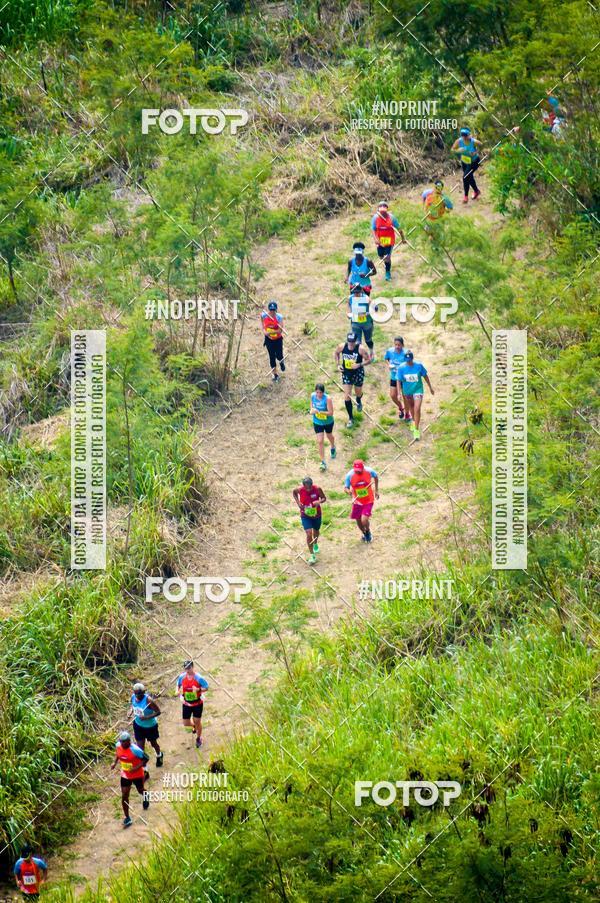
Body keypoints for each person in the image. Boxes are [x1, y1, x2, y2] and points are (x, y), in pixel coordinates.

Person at [111, 730, 150, 828]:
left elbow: (146, 758)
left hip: (137, 774)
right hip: (125, 774)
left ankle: (146, 796)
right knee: (124, 795)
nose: (123, 743)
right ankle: (127, 817)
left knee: (140, 790)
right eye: (121, 741)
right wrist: (114, 762)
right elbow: (118, 754)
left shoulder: (135, 750)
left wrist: (136, 768)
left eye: (125, 741)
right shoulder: (118, 745)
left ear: (129, 741)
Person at [334, 332, 373, 428]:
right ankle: (351, 418)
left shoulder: (360, 349)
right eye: (349, 342)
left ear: (356, 341)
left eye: (352, 342)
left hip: (357, 373)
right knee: (347, 396)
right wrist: (338, 365)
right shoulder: (342, 346)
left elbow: (369, 360)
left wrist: (359, 365)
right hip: (346, 373)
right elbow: (336, 353)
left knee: (358, 392)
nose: (351, 344)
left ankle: (359, 399)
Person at [395, 350, 434, 440]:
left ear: (412, 358)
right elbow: (398, 380)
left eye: (410, 360)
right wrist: (399, 393)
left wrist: (430, 387)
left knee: (417, 408)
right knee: (412, 407)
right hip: (407, 391)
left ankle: (416, 430)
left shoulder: (418, 366)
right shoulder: (401, 368)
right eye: (407, 360)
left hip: (418, 389)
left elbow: (425, 376)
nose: (408, 362)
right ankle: (413, 421)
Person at [292, 476, 327, 565]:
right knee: (308, 533)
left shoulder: (317, 489)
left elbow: (324, 498)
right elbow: (294, 493)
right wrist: (298, 503)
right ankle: (312, 555)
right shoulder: (300, 490)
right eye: (306, 487)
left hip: (316, 515)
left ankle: (315, 543)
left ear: (312, 485)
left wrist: (319, 502)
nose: (308, 489)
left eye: (309, 487)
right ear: (303, 486)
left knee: (316, 531)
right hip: (305, 515)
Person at [344, 459, 379, 543]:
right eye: (356, 471)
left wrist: (376, 490)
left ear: (363, 468)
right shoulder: (349, 475)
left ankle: (368, 531)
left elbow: (376, 477)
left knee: (364, 520)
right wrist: (348, 492)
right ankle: (364, 533)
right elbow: (346, 488)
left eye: (359, 471)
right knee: (358, 520)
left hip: (368, 499)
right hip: (357, 501)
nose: (358, 472)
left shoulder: (369, 471)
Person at [176, 660, 209, 748]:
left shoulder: (199, 678)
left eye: (189, 668)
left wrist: (198, 690)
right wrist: (177, 691)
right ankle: (194, 726)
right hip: (186, 703)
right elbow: (178, 685)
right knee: (186, 723)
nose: (187, 670)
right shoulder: (182, 677)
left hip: (197, 703)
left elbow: (206, 687)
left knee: (197, 721)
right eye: (186, 668)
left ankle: (199, 738)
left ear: (192, 667)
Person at [371, 201, 407, 281]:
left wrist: (403, 238)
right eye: (381, 207)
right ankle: (385, 262)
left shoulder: (392, 218)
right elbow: (373, 230)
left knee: (387, 257)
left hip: (389, 240)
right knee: (381, 256)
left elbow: (399, 229)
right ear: (378, 209)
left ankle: (387, 273)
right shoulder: (375, 218)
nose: (383, 208)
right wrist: (376, 239)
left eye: (384, 206)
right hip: (380, 240)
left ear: (387, 209)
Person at [129, 682, 163, 766]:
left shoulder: (149, 700)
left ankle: (159, 755)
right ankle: (144, 769)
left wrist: (146, 717)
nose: (138, 696)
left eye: (140, 694)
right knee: (140, 748)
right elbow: (132, 706)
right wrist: (130, 711)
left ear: (144, 693)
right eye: (136, 694)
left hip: (150, 726)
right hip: (138, 725)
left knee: (153, 743)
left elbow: (158, 712)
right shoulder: (133, 697)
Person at [451, 127, 483, 202]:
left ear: (469, 135)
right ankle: (476, 191)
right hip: (464, 162)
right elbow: (452, 149)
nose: (464, 137)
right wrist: (458, 151)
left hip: (474, 162)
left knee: (465, 177)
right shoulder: (459, 141)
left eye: (466, 135)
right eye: (463, 135)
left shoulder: (474, 141)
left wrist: (476, 152)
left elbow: (481, 145)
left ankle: (465, 196)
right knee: (469, 177)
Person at [310, 383, 336, 471]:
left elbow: (331, 412)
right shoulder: (312, 396)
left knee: (329, 436)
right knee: (320, 441)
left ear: (323, 392)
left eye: (320, 392)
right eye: (317, 392)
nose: (318, 394)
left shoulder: (327, 399)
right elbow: (311, 409)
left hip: (328, 422)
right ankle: (322, 461)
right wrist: (312, 411)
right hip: (317, 422)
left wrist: (320, 412)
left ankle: (332, 446)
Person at [384, 336, 410, 422]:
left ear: (402, 345)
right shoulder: (390, 351)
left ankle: (407, 413)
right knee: (392, 395)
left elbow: (410, 363)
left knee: (405, 396)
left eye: (399, 345)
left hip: (404, 378)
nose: (397, 347)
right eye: (395, 345)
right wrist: (389, 365)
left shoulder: (406, 353)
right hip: (394, 377)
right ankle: (401, 407)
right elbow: (386, 359)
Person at [347, 284, 375, 357]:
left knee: (368, 340)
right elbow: (349, 310)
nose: (356, 294)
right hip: (355, 323)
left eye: (358, 293)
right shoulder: (350, 298)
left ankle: (371, 352)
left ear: (361, 291)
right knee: (357, 343)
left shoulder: (366, 298)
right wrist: (349, 314)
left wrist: (366, 313)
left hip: (367, 323)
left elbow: (375, 309)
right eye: (355, 292)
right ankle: (361, 358)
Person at [261, 300, 285, 382]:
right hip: (269, 340)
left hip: (278, 340)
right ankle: (275, 374)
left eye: (273, 310)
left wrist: (270, 332)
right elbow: (262, 323)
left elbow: (280, 330)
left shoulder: (279, 317)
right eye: (270, 310)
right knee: (272, 357)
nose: (272, 312)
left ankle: (281, 362)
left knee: (279, 355)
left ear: (276, 310)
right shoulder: (264, 315)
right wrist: (264, 331)